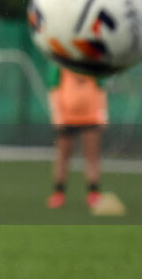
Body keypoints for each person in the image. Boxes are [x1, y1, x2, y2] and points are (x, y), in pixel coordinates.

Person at [45, 64, 107, 209]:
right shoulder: (61, 62)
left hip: (91, 117)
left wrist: (103, 113)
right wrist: (56, 114)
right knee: (62, 157)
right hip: (67, 118)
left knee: (92, 156)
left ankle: (93, 193)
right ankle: (58, 193)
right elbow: (53, 89)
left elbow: (101, 89)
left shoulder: (93, 62)